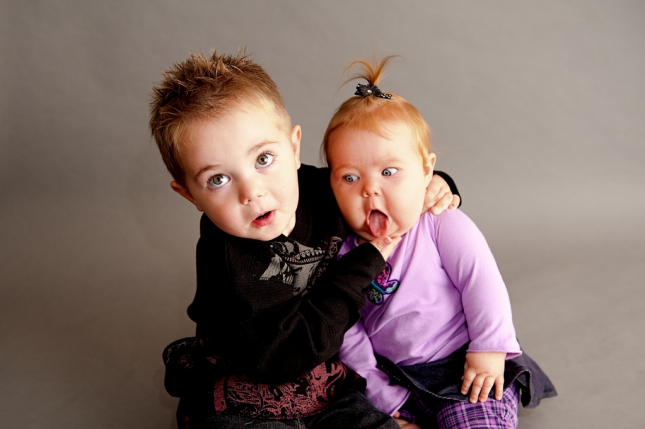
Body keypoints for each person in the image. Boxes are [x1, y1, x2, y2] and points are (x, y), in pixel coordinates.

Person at [149, 49, 460, 429]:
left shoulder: (319, 188)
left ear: (294, 147)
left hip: (327, 379)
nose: (252, 192)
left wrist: (435, 185)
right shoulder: (228, 258)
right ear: (189, 195)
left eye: (264, 159)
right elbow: (282, 359)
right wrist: (363, 264)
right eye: (218, 179)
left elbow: (379, 183)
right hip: (249, 385)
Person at [322, 57, 557, 429]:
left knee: (473, 418)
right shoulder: (340, 254)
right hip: (395, 379)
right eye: (350, 178)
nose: (370, 189)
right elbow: (348, 333)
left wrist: (489, 348)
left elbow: (481, 281)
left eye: (389, 172)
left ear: (426, 170)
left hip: (464, 367)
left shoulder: (439, 222)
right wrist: (383, 394)